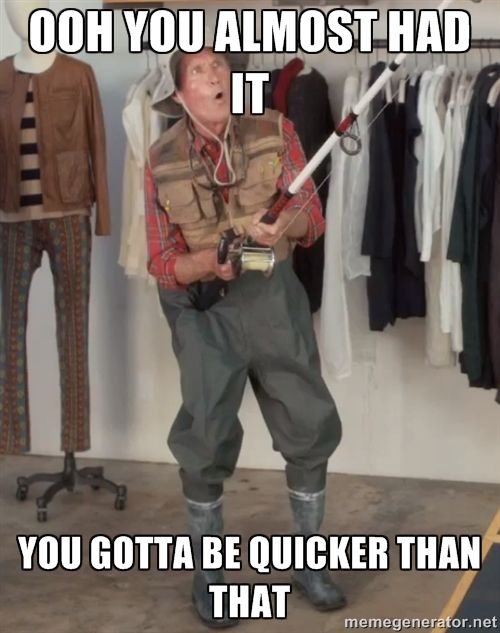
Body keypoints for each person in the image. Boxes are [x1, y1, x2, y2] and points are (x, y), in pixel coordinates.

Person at [145, 46, 345, 628]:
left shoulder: (275, 131)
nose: (215, 77)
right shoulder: (159, 158)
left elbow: (312, 219)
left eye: (220, 67)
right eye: (199, 71)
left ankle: (309, 564)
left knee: (308, 423)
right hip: (203, 310)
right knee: (204, 439)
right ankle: (209, 578)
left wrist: (283, 224)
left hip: (273, 297)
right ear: (179, 95)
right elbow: (163, 262)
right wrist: (208, 262)